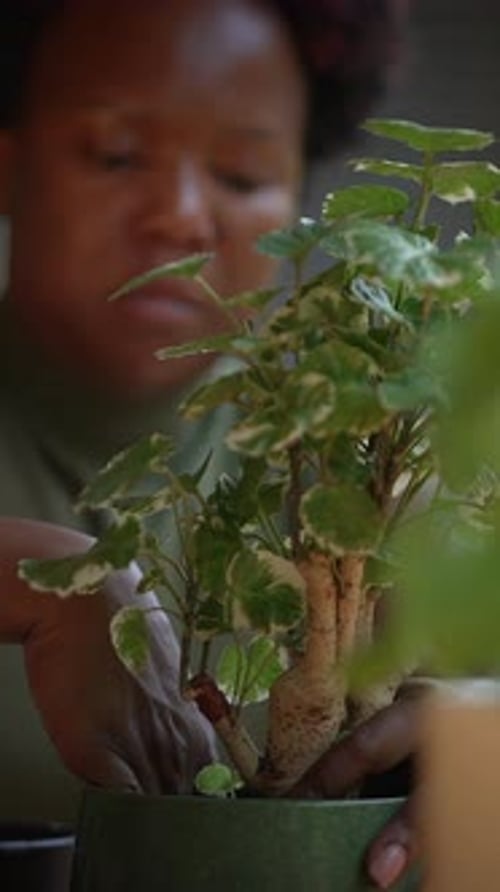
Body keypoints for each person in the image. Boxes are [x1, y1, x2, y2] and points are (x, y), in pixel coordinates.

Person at [0, 1, 418, 887]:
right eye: (115, 155)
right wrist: (44, 580)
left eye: (240, 173)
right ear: (8, 160)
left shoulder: (371, 470)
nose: (184, 218)